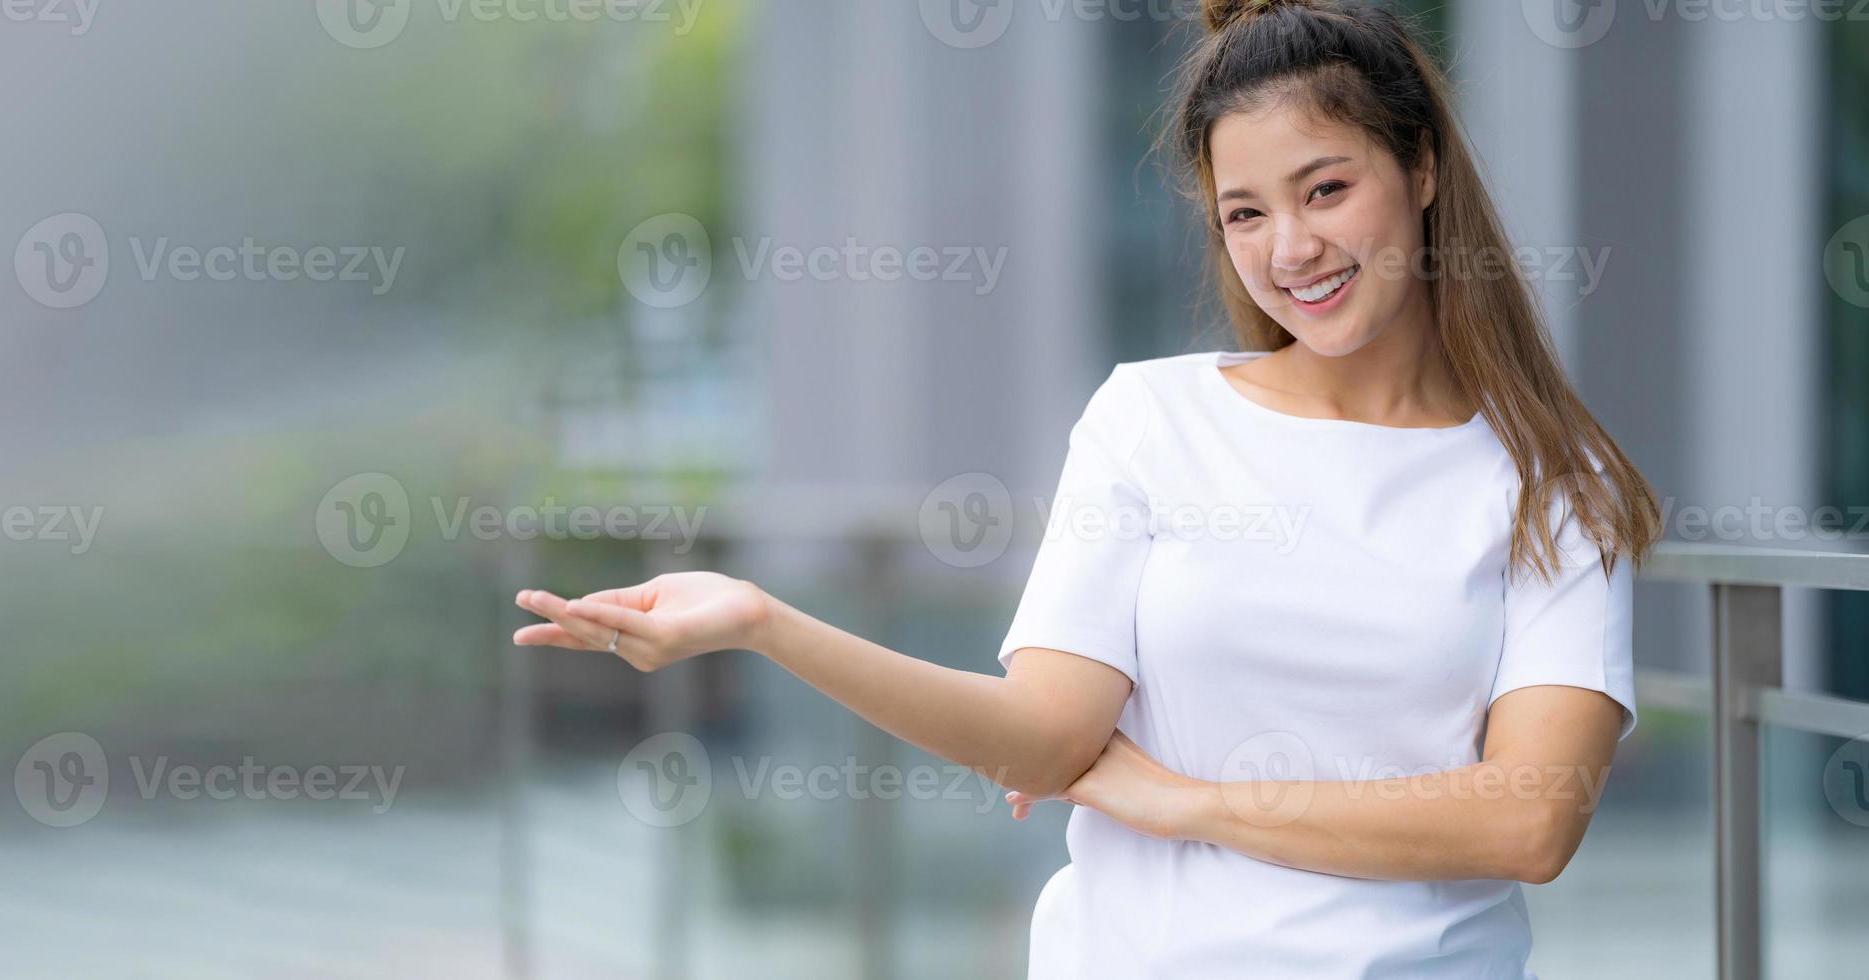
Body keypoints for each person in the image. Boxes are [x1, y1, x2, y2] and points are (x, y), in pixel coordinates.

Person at [512, 0, 1664, 975]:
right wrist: (763, 621)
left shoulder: (1555, 481)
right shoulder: (1150, 418)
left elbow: (1528, 816)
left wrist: (1189, 801)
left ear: (1418, 169)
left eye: (1325, 189)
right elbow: (1042, 742)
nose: (1290, 248)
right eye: (1246, 213)